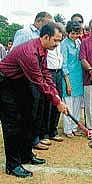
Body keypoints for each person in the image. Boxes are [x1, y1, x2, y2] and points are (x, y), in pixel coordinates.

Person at [0, 22, 68, 178]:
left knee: (28, 118)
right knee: (12, 123)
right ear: (45, 37)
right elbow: (39, 81)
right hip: (5, 83)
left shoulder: (42, 49)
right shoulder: (30, 53)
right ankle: (12, 165)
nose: (57, 44)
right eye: (56, 41)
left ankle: (25, 155)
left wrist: (56, 95)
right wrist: (57, 102)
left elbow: (46, 74)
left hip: (19, 82)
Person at [13, 11, 52, 150]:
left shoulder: (42, 38)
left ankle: (34, 140)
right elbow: (15, 54)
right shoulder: (24, 33)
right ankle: (26, 144)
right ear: (39, 21)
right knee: (28, 111)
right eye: (48, 24)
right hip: (24, 78)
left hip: (36, 77)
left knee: (38, 109)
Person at [61, 20, 83, 138]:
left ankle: (75, 127)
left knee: (77, 104)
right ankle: (68, 129)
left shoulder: (79, 42)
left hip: (78, 78)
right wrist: (68, 83)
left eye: (77, 33)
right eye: (72, 33)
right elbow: (63, 64)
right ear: (68, 32)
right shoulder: (64, 44)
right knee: (68, 104)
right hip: (68, 78)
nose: (75, 36)